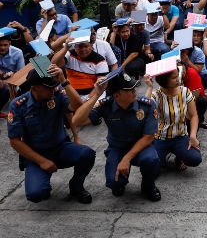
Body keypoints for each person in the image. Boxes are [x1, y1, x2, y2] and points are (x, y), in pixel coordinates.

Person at [7, 65, 93, 204]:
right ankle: (43, 183)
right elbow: (15, 141)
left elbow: (77, 106)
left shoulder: (57, 93)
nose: (52, 89)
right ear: (34, 88)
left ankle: (76, 186)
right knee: (36, 195)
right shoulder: (18, 106)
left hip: (60, 148)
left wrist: (64, 81)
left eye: (54, 85)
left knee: (87, 153)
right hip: (36, 154)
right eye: (47, 87)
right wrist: (42, 161)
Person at [73, 73, 162, 201]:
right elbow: (77, 121)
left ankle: (148, 186)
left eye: (134, 87)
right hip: (118, 147)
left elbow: (148, 137)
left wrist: (126, 159)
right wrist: (96, 95)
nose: (134, 91)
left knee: (151, 160)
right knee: (114, 183)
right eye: (129, 89)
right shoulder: (105, 105)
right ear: (116, 96)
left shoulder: (146, 105)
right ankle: (121, 183)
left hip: (141, 147)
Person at [144, 71, 202, 172]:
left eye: (177, 76)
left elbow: (193, 115)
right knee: (152, 170)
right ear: (164, 81)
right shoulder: (156, 95)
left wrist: (192, 136)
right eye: (173, 77)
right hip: (160, 138)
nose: (177, 79)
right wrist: (149, 87)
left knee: (195, 159)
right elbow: (144, 108)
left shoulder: (185, 92)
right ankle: (163, 156)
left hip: (180, 136)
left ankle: (178, 157)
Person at [0, 35, 25, 114]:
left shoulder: (17, 52)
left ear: (10, 43)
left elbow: (22, 72)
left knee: (16, 91)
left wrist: (13, 76)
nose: (2, 48)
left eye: (5, 45)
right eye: (0, 45)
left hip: (13, 79)